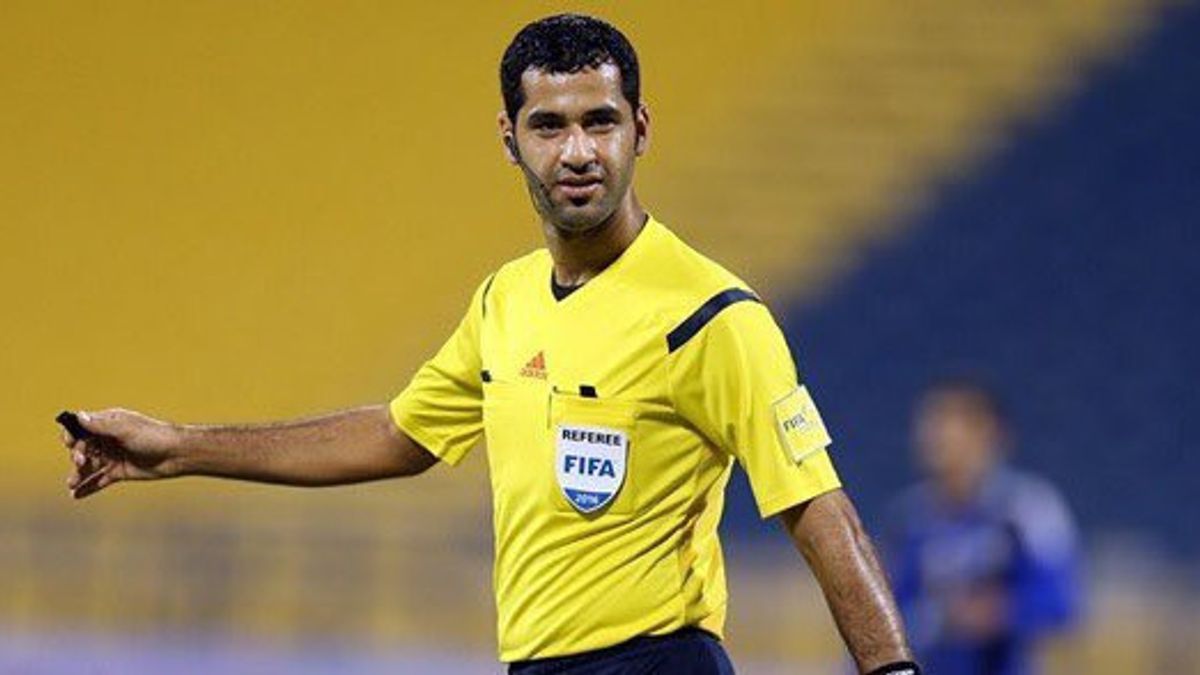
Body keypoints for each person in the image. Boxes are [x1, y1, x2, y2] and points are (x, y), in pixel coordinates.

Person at [58, 14, 918, 675]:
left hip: (658, 658)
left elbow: (819, 510)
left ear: (641, 129)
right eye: (549, 125)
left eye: (601, 121)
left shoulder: (711, 313)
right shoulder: (504, 299)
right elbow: (400, 436)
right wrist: (177, 447)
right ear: (509, 138)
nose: (578, 151)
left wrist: (893, 669)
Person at [883, 376, 1081, 675]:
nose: (931, 436)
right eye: (928, 423)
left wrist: (998, 611)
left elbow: (1061, 601)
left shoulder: (1026, 509)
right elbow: (890, 611)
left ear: (987, 433)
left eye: (946, 423)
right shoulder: (910, 518)